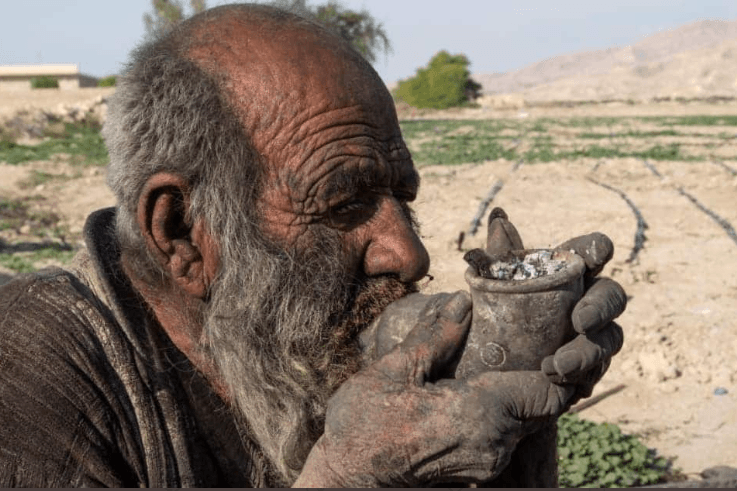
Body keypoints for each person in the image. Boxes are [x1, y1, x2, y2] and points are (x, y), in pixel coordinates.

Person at [0, 4, 625, 487]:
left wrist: (516, 367)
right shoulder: (28, 380)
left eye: (400, 197)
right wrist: (349, 475)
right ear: (183, 235)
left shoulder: (285, 340)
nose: (409, 255)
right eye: (341, 205)